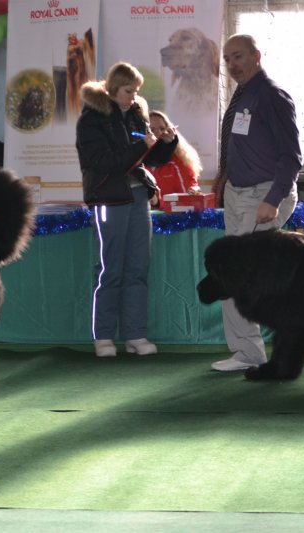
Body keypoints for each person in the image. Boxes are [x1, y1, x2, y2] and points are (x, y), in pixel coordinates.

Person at [210, 34, 301, 372]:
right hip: (237, 195)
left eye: (238, 57)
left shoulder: (271, 96)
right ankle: (249, 350)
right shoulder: (242, 95)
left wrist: (272, 200)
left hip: (262, 197)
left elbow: (292, 157)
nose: (233, 65)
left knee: (243, 275)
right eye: (228, 59)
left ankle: (302, 332)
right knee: (242, 274)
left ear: (256, 56)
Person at [76, 61, 177, 358]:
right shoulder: (91, 120)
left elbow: (149, 157)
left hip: (137, 199)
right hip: (108, 199)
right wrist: (140, 147)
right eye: (128, 91)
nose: (133, 97)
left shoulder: (135, 114)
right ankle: (103, 336)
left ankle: (135, 334)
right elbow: (106, 163)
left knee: (137, 267)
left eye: (136, 91)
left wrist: (167, 143)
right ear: (111, 89)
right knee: (110, 268)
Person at [147, 110, 201, 207]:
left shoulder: (180, 161)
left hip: (174, 218)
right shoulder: (139, 161)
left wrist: (159, 202)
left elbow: (188, 199)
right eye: (152, 129)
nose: (158, 133)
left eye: (162, 128)